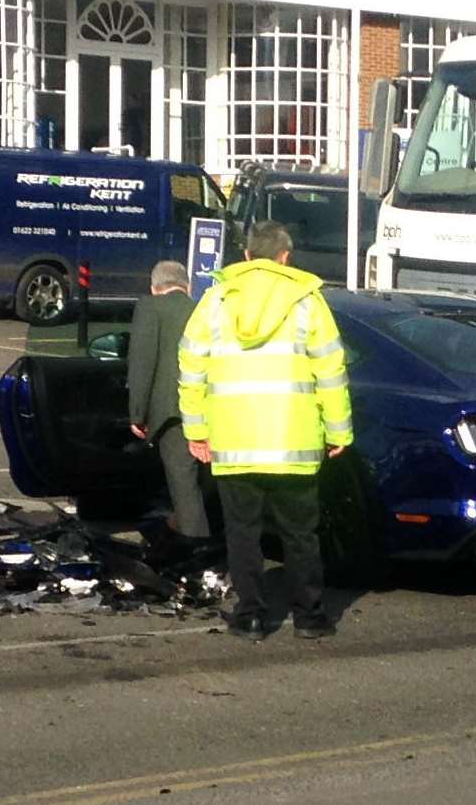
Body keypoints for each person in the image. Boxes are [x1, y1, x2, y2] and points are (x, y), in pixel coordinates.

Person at [177, 220, 352, 642]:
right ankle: (309, 616)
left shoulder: (215, 300)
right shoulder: (308, 302)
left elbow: (191, 367)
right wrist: (338, 432)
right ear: (285, 256)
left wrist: (197, 430)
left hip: (233, 443)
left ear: (247, 255)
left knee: (242, 535)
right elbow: (331, 370)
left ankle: (251, 616)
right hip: (293, 443)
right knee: (300, 535)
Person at [128, 260, 210, 539]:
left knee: (183, 482)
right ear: (186, 287)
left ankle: (196, 545)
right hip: (213, 406)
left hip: (173, 412)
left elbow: (142, 362)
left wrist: (137, 413)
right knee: (212, 484)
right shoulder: (203, 309)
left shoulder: (150, 307)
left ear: (154, 288)